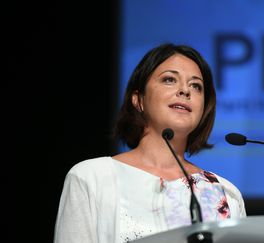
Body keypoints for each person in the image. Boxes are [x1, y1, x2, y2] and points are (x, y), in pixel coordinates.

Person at [54, 43, 247, 243]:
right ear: (138, 100)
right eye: (169, 79)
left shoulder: (226, 194)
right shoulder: (92, 177)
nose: (185, 90)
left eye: (196, 86)